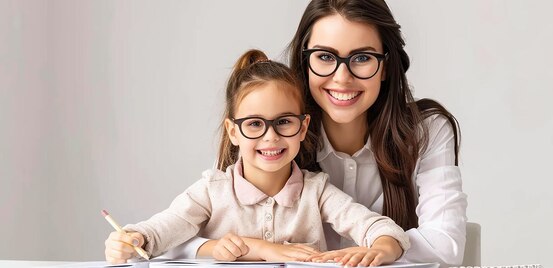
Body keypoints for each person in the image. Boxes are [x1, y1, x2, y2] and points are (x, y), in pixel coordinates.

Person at [173, 0, 468, 267]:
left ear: (385, 67)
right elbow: (179, 236)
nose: (342, 78)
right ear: (305, 62)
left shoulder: (425, 130)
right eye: (325, 57)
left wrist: (382, 247)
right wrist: (256, 247)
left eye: (362, 58)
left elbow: (446, 245)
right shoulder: (267, 135)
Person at [103, 49, 410, 267]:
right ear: (233, 132)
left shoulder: (317, 192)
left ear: (303, 127)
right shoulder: (212, 190)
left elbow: (380, 228)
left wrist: (383, 246)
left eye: (284, 122)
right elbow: (162, 230)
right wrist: (132, 239)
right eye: (254, 124)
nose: (270, 137)